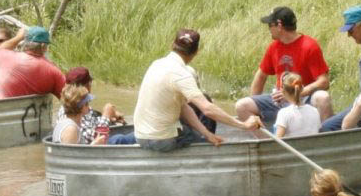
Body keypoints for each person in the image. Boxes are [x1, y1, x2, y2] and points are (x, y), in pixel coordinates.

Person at [107, 29, 264, 150]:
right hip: (162, 140)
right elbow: (208, 109)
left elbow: (183, 107)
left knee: (200, 134)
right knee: (205, 145)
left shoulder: (157, 64)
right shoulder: (181, 73)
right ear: (196, 52)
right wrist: (244, 125)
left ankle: (119, 140)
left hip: (141, 136)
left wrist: (207, 134)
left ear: (172, 45)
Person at [235, 6, 332, 127]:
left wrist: (298, 92)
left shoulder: (309, 46)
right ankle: (268, 143)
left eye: (270, 25)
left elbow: (324, 82)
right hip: (279, 99)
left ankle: (325, 138)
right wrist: (255, 104)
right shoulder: (273, 47)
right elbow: (261, 76)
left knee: (323, 97)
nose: (269, 29)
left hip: (304, 98)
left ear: (279, 25)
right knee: (242, 106)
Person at [0, 26, 66, 102]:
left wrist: (19, 37)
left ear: (25, 43)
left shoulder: (3, 56)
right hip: (28, 118)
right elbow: (68, 97)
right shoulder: (53, 70)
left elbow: (1, 48)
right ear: (43, 46)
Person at [272, 74, 322, 138]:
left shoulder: (283, 113)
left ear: (282, 91)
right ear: (302, 88)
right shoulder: (315, 111)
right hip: (313, 146)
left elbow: (277, 141)